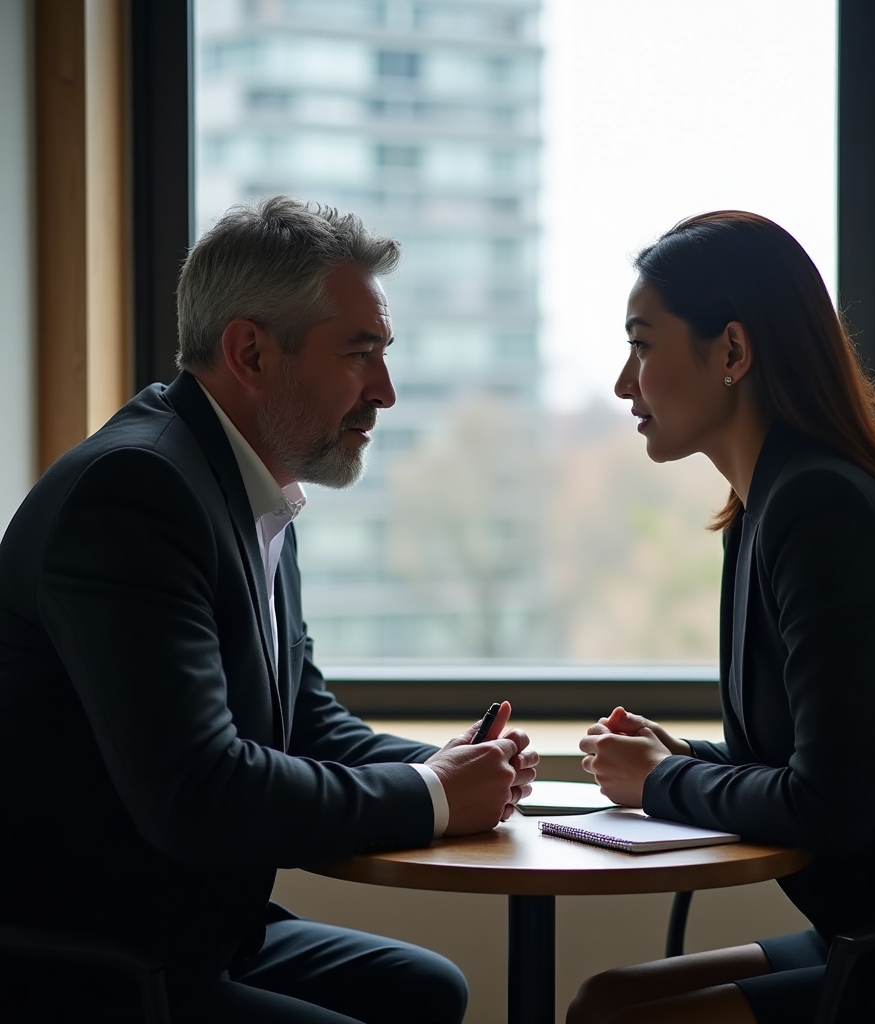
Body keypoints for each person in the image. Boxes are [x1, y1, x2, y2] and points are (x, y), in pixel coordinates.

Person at [0, 196, 539, 1024]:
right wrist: (430, 797)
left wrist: (454, 765)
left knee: (429, 991)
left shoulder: (248, 485)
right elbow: (200, 791)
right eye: (361, 354)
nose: (386, 391)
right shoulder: (136, 493)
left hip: (193, 928)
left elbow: (304, 724)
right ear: (251, 351)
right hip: (88, 961)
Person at [568, 211, 875, 1024]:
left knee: (620, 1018)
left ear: (733, 352)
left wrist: (660, 782)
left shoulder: (820, 509)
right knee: (606, 998)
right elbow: (800, 759)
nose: (622, 383)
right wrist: (677, 755)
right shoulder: (763, 508)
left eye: (642, 345)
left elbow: (828, 807)